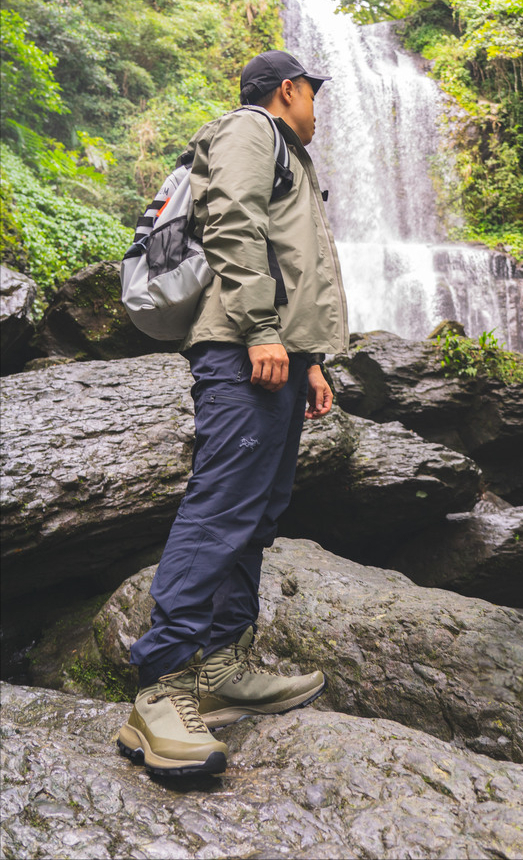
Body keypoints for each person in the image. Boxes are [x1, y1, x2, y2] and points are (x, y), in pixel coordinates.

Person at [117, 50, 349, 777]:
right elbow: (232, 224)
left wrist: (310, 361)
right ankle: (160, 686)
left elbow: (293, 264)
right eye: (313, 95)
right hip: (241, 351)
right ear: (289, 90)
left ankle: (221, 666)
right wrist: (260, 330)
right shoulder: (251, 129)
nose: (317, 109)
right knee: (221, 507)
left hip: (276, 355)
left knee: (256, 512)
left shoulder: (288, 154)